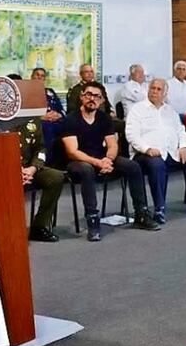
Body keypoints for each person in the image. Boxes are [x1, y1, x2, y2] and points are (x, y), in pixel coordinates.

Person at [60, 82, 160, 240]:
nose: (92, 99)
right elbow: (73, 151)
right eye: (88, 95)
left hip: (103, 158)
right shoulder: (70, 119)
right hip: (79, 162)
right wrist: (98, 163)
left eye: (96, 96)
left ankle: (141, 214)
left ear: (101, 101)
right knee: (87, 169)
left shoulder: (104, 118)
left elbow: (113, 144)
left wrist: (108, 159)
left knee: (133, 166)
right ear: (81, 97)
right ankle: (93, 220)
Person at [126, 78, 186, 221]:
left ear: (165, 93)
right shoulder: (137, 110)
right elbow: (131, 135)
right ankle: (159, 208)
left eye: (159, 89)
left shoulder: (170, 111)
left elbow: (181, 131)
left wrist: (184, 147)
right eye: (152, 88)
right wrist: (147, 149)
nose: (155, 92)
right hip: (145, 154)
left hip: (172, 152)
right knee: (157, 164)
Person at [11, 117, 65, 242]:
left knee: (55, 177)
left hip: (29, 169)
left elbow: (41, 148)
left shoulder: (32, 119)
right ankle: (10, 230)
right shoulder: (0, 118)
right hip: (5, 167)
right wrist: (15, 170)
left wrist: (33, 168)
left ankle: (39, 227)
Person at [31, 67, 65, 165]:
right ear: (32, 77)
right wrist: (41, 117)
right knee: (48, 129)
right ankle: (47, 163)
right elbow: (25, 114)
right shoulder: (27, 92)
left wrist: (59, 115)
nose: (40, 78)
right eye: (37, 75)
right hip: (39, 122)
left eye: (42, 76)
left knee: (70, 127)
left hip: (55, 121)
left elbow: (61, 109)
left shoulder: (50, 92)